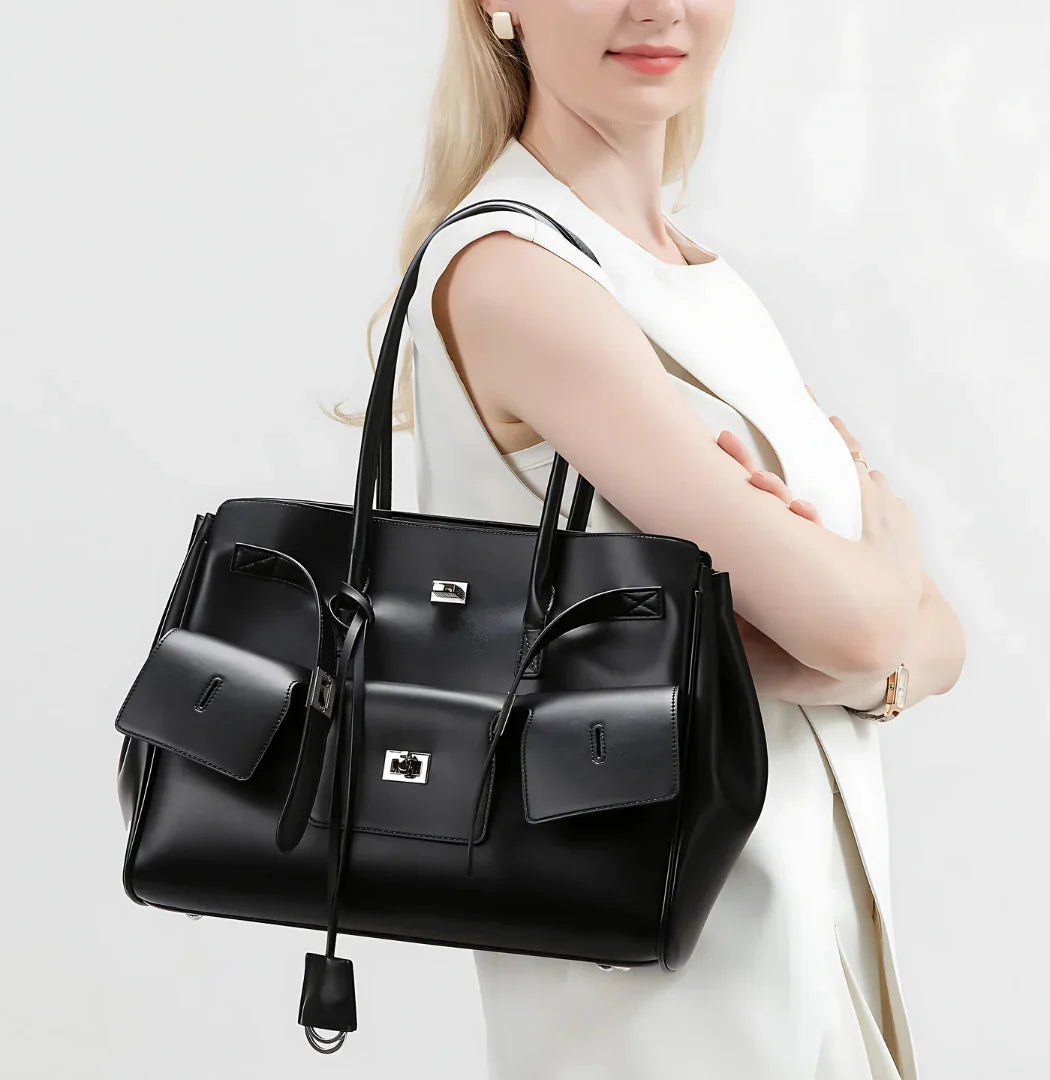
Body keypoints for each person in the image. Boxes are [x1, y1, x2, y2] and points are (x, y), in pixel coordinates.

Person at [337, 2, 966, 1076]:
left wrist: (841, 656)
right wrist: (887, 564)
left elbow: (933, 644)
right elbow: (872, 622)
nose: (658, 7)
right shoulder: (514, 272)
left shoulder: (697, 281)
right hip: (668, 1008)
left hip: (811, 955)